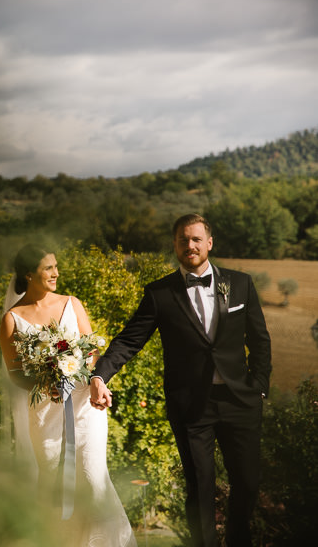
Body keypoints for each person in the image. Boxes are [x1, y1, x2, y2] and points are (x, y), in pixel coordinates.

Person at [90, 214, 271, 547]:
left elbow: (259, 339)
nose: (190, 245)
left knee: (246, 484)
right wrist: (100, 374)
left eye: (196, 239)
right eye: (183, 240)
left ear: (209, 243)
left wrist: (259, 386)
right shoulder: (159, 294)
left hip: (239, 401)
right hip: (191, 407)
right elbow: (129, 341)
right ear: (174, 244)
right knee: (200, 487)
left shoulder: (241, 283)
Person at [0, 245, 136, 546]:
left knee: (91, 475)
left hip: (83, 403)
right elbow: (14, 373)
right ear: (28, 274)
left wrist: (89, 377)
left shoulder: (72, 304)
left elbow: (91, 351)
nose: (56, 273)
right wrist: (43, 380)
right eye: (48, 268)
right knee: (52, 479)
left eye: (56, 267)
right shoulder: (12, 319)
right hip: (44, 410)